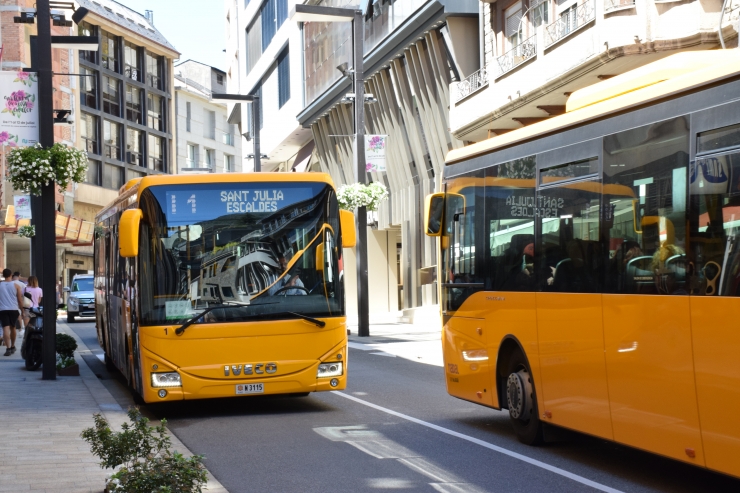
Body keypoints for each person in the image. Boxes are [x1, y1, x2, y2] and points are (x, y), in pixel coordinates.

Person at [0, 268, 24, 355]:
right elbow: (20, 300)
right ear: (11, 275)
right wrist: (22, 310)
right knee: (13, 327)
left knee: (5, 328)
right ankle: (13, 346)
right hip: (13, 309)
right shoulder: (16, 285)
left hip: (2, 309)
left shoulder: (0, 285)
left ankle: (8, 348)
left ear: (3, 275)